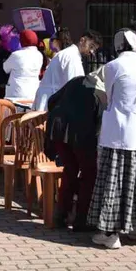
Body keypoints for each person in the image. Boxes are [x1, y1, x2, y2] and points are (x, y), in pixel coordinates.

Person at [87, 30, 136, 249]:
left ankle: (110, 234)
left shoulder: (112, 66)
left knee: (115, 183)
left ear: (117, 46)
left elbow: (109, 97)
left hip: (119, 133)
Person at [47, 66, 106, 232]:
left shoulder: (76, 81)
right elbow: (100, 123)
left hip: (59, 130)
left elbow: (52, 100)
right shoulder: (101, 93)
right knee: (89, 173)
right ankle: (82, 219)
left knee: (70, 170)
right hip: (81, 135)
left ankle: (60, 215)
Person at [33, 30, 102, 112]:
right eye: (91, 46)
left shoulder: (69, 54)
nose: (92, 52)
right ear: (82, 40)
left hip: (48, 100)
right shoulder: (72, 57)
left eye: (94, 49)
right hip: (50, 103)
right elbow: (74, 87)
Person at [4, 30, 44, 104]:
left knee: (15, 111)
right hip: (33, 91)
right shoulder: (39, 55)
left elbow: (5, 68)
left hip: (16, 94)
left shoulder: (16, 54)